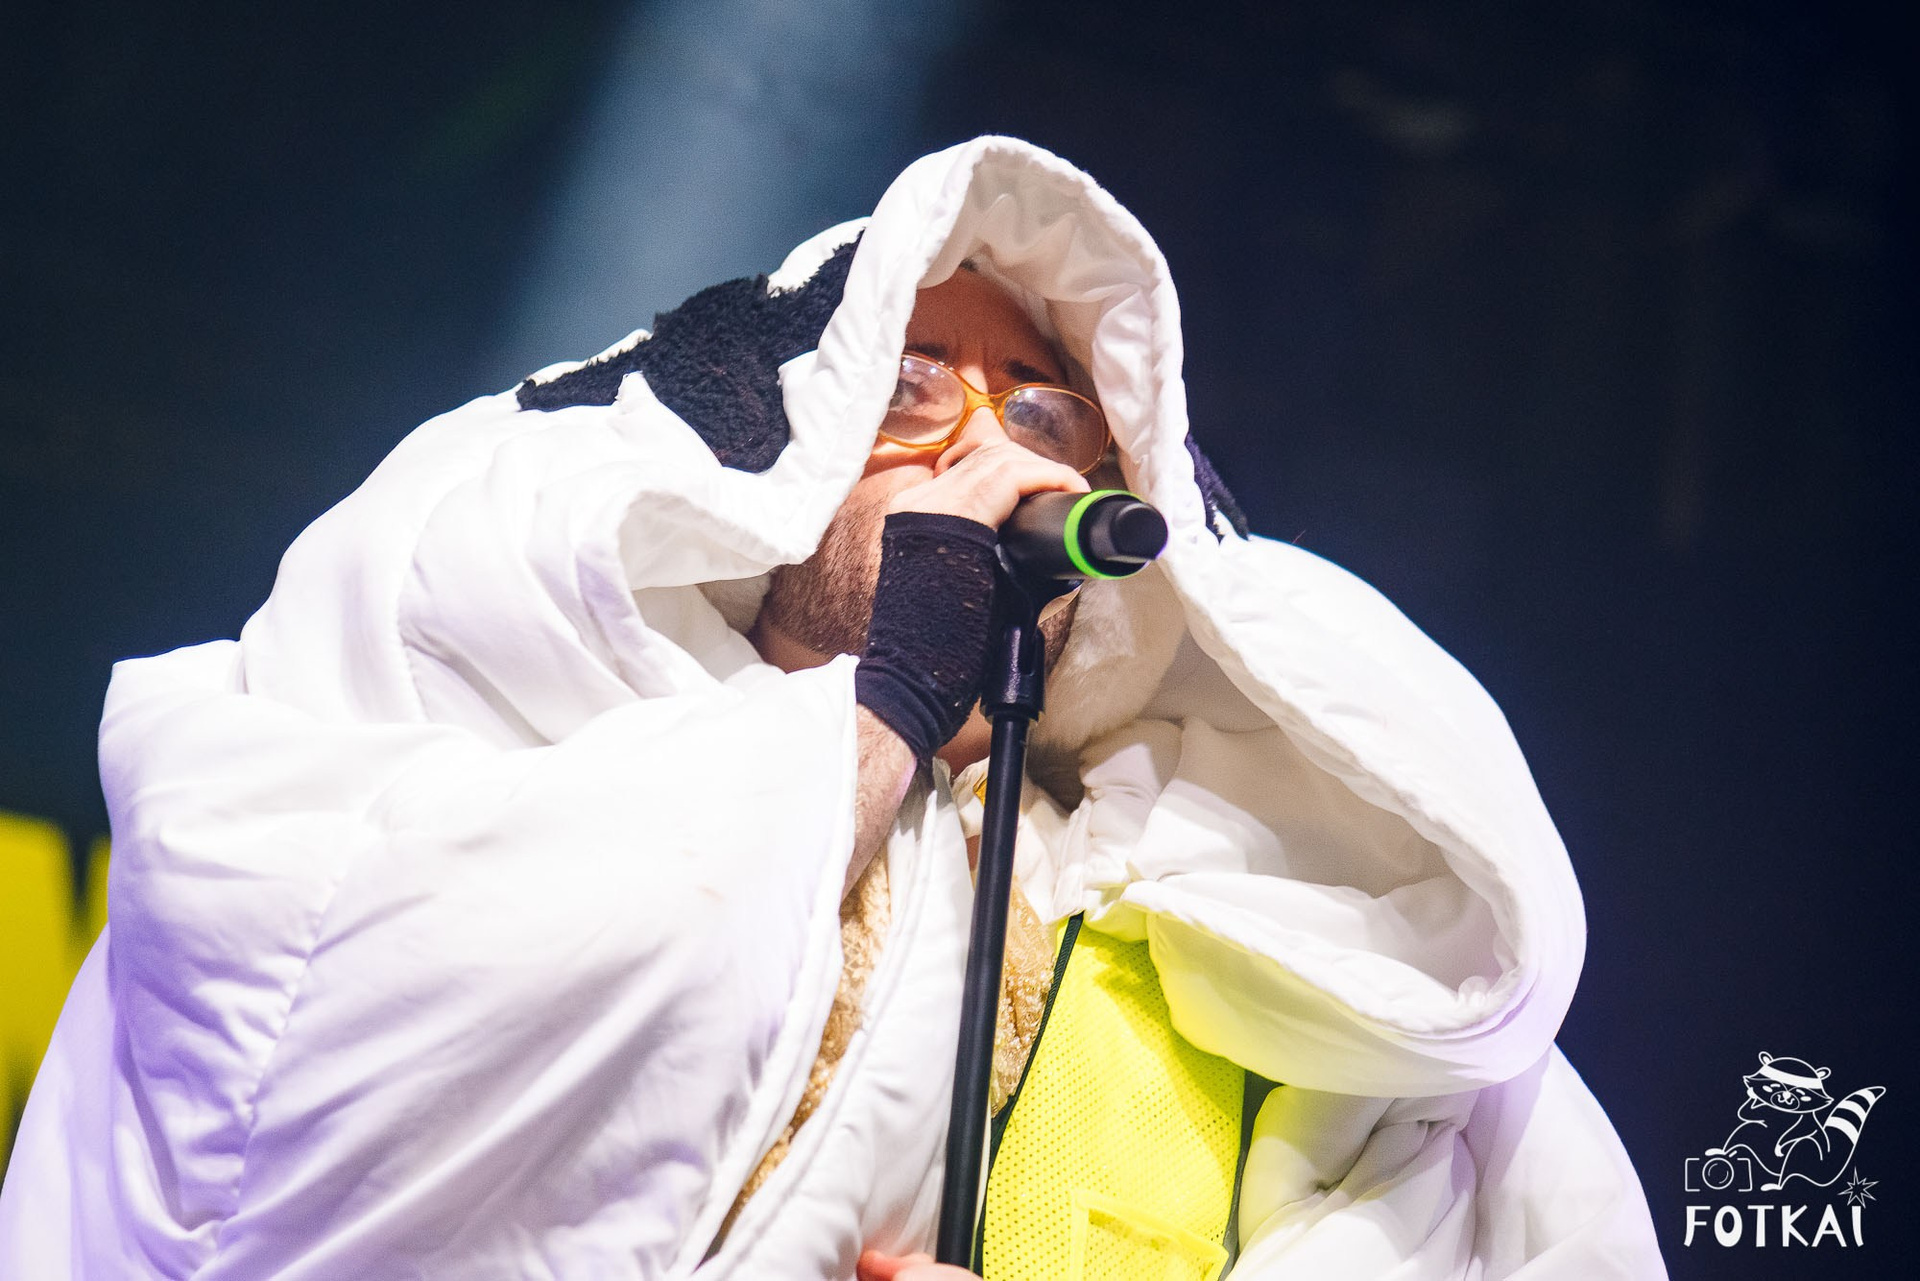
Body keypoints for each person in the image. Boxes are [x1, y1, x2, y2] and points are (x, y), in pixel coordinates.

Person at [0, 137, 1664, 1278]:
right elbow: (309, 1065)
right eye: (913, 388)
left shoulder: (1228, 914)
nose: (989, 448)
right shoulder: (512, 728)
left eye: (1043, 416)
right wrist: (878, 713)